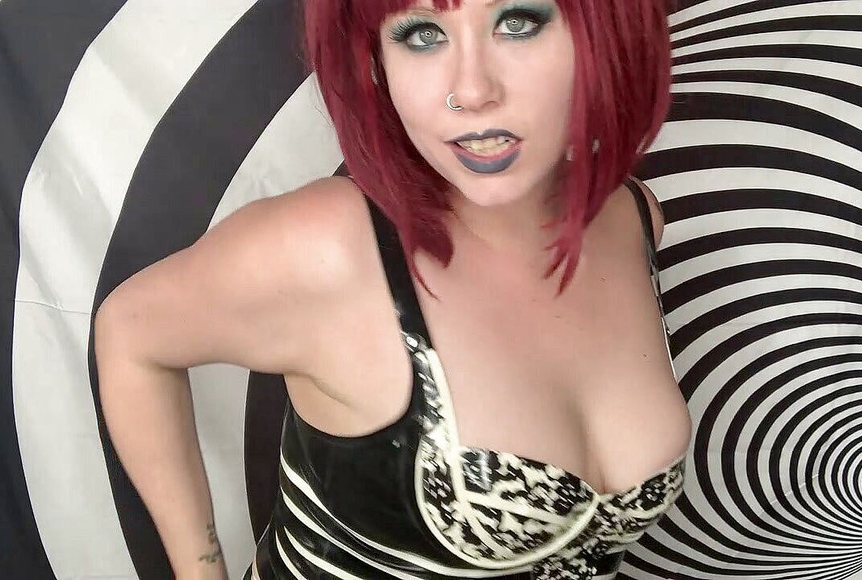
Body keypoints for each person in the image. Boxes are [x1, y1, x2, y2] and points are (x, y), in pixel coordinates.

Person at [94, 0, 692, 578]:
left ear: (606, 27)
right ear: (376, 59)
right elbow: (131, 331)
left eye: (518, 21)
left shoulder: (632, 218)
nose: (472, 91)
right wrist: (200, 571)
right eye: (422, 35)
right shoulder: (332, 247)